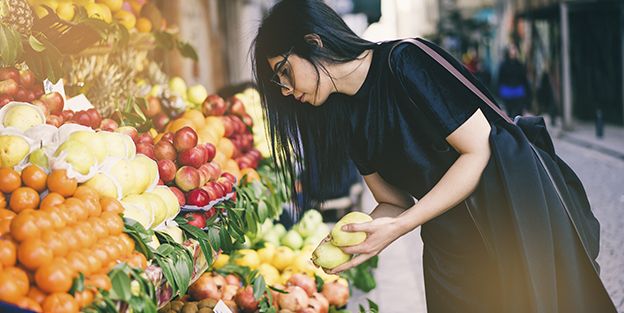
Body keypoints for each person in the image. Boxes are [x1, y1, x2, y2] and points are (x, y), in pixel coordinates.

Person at [251, 1, 616, 312]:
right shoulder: (346, 117)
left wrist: (402, 225)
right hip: (450, 249)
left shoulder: (405, 61)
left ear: (313, 43)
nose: (284, 89)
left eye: (284, 71)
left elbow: (478, 149)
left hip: (510, 221)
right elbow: (392, 200)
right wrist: (360, 237)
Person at [496, 45, 532, 118]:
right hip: (507, 92)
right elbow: (500, 79)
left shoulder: (520, 65)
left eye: (514, 50)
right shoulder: (504, 65)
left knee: (518, 113)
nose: (513, 52)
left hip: (518, 92)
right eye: (512, 50)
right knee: (509, 112)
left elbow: (524, 79)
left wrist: (527, 92)